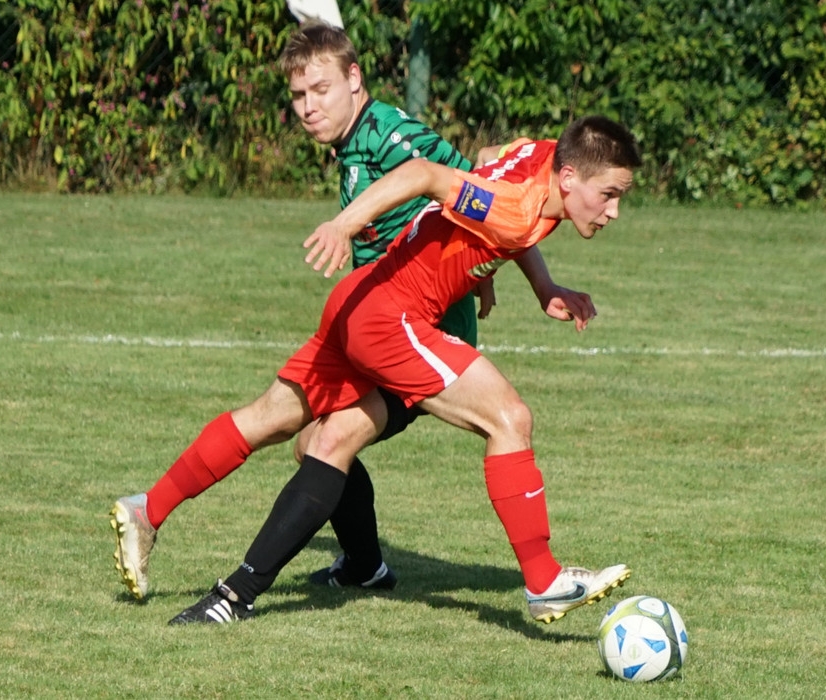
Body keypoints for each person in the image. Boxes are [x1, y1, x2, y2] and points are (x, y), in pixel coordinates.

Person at [109, 21, 589, 601]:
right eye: (298, 96)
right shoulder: (354, 144)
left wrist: (495, 274)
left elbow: (475, 185)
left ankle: (241, 592)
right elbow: (491, 174)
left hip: (422, 329)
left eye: (321, 90)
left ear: (354, 79)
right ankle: (153, 512)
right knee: (288, 429)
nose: (308, 108)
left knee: (330, 440)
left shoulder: (392, 136)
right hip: (376, 319)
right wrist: (499, 272)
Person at [165, 114, 642, 626]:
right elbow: (424, 174)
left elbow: (488, 160)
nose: (614, 211)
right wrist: (344, 225)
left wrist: (536, 282)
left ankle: (221, 580)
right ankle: (544, 582)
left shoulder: (542, 154)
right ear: (568, 178)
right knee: (509, 418)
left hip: (364, 298)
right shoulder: (512, 206)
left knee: (307, 436)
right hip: (393, 319)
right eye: (609, 194)